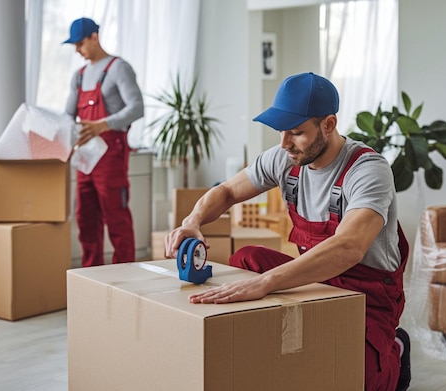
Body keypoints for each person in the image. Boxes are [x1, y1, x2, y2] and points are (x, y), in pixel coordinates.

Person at [164, 72, 411, 390]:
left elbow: (349, 246)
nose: (284, 144)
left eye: (296, 133)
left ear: (328, 125)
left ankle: (395, 348)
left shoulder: (368, 170)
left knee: (353, 376)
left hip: (368, 296)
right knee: (246, 258)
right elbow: (226, 191)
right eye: (282, 132)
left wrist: (266, 283)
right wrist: (191, 222)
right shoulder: (286, 157)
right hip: (317, 278)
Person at [63, 17, 144, 267]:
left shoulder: (119, 68)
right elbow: (67, 115)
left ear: (94, 37)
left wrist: (102, 125)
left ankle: (125, 275)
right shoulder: (79, 76)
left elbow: (137, 107)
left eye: (79, 43)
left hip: (111, 157)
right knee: (85, 219)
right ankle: (90, 277)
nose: (77, 49)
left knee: (116, 219)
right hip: (86, 159)